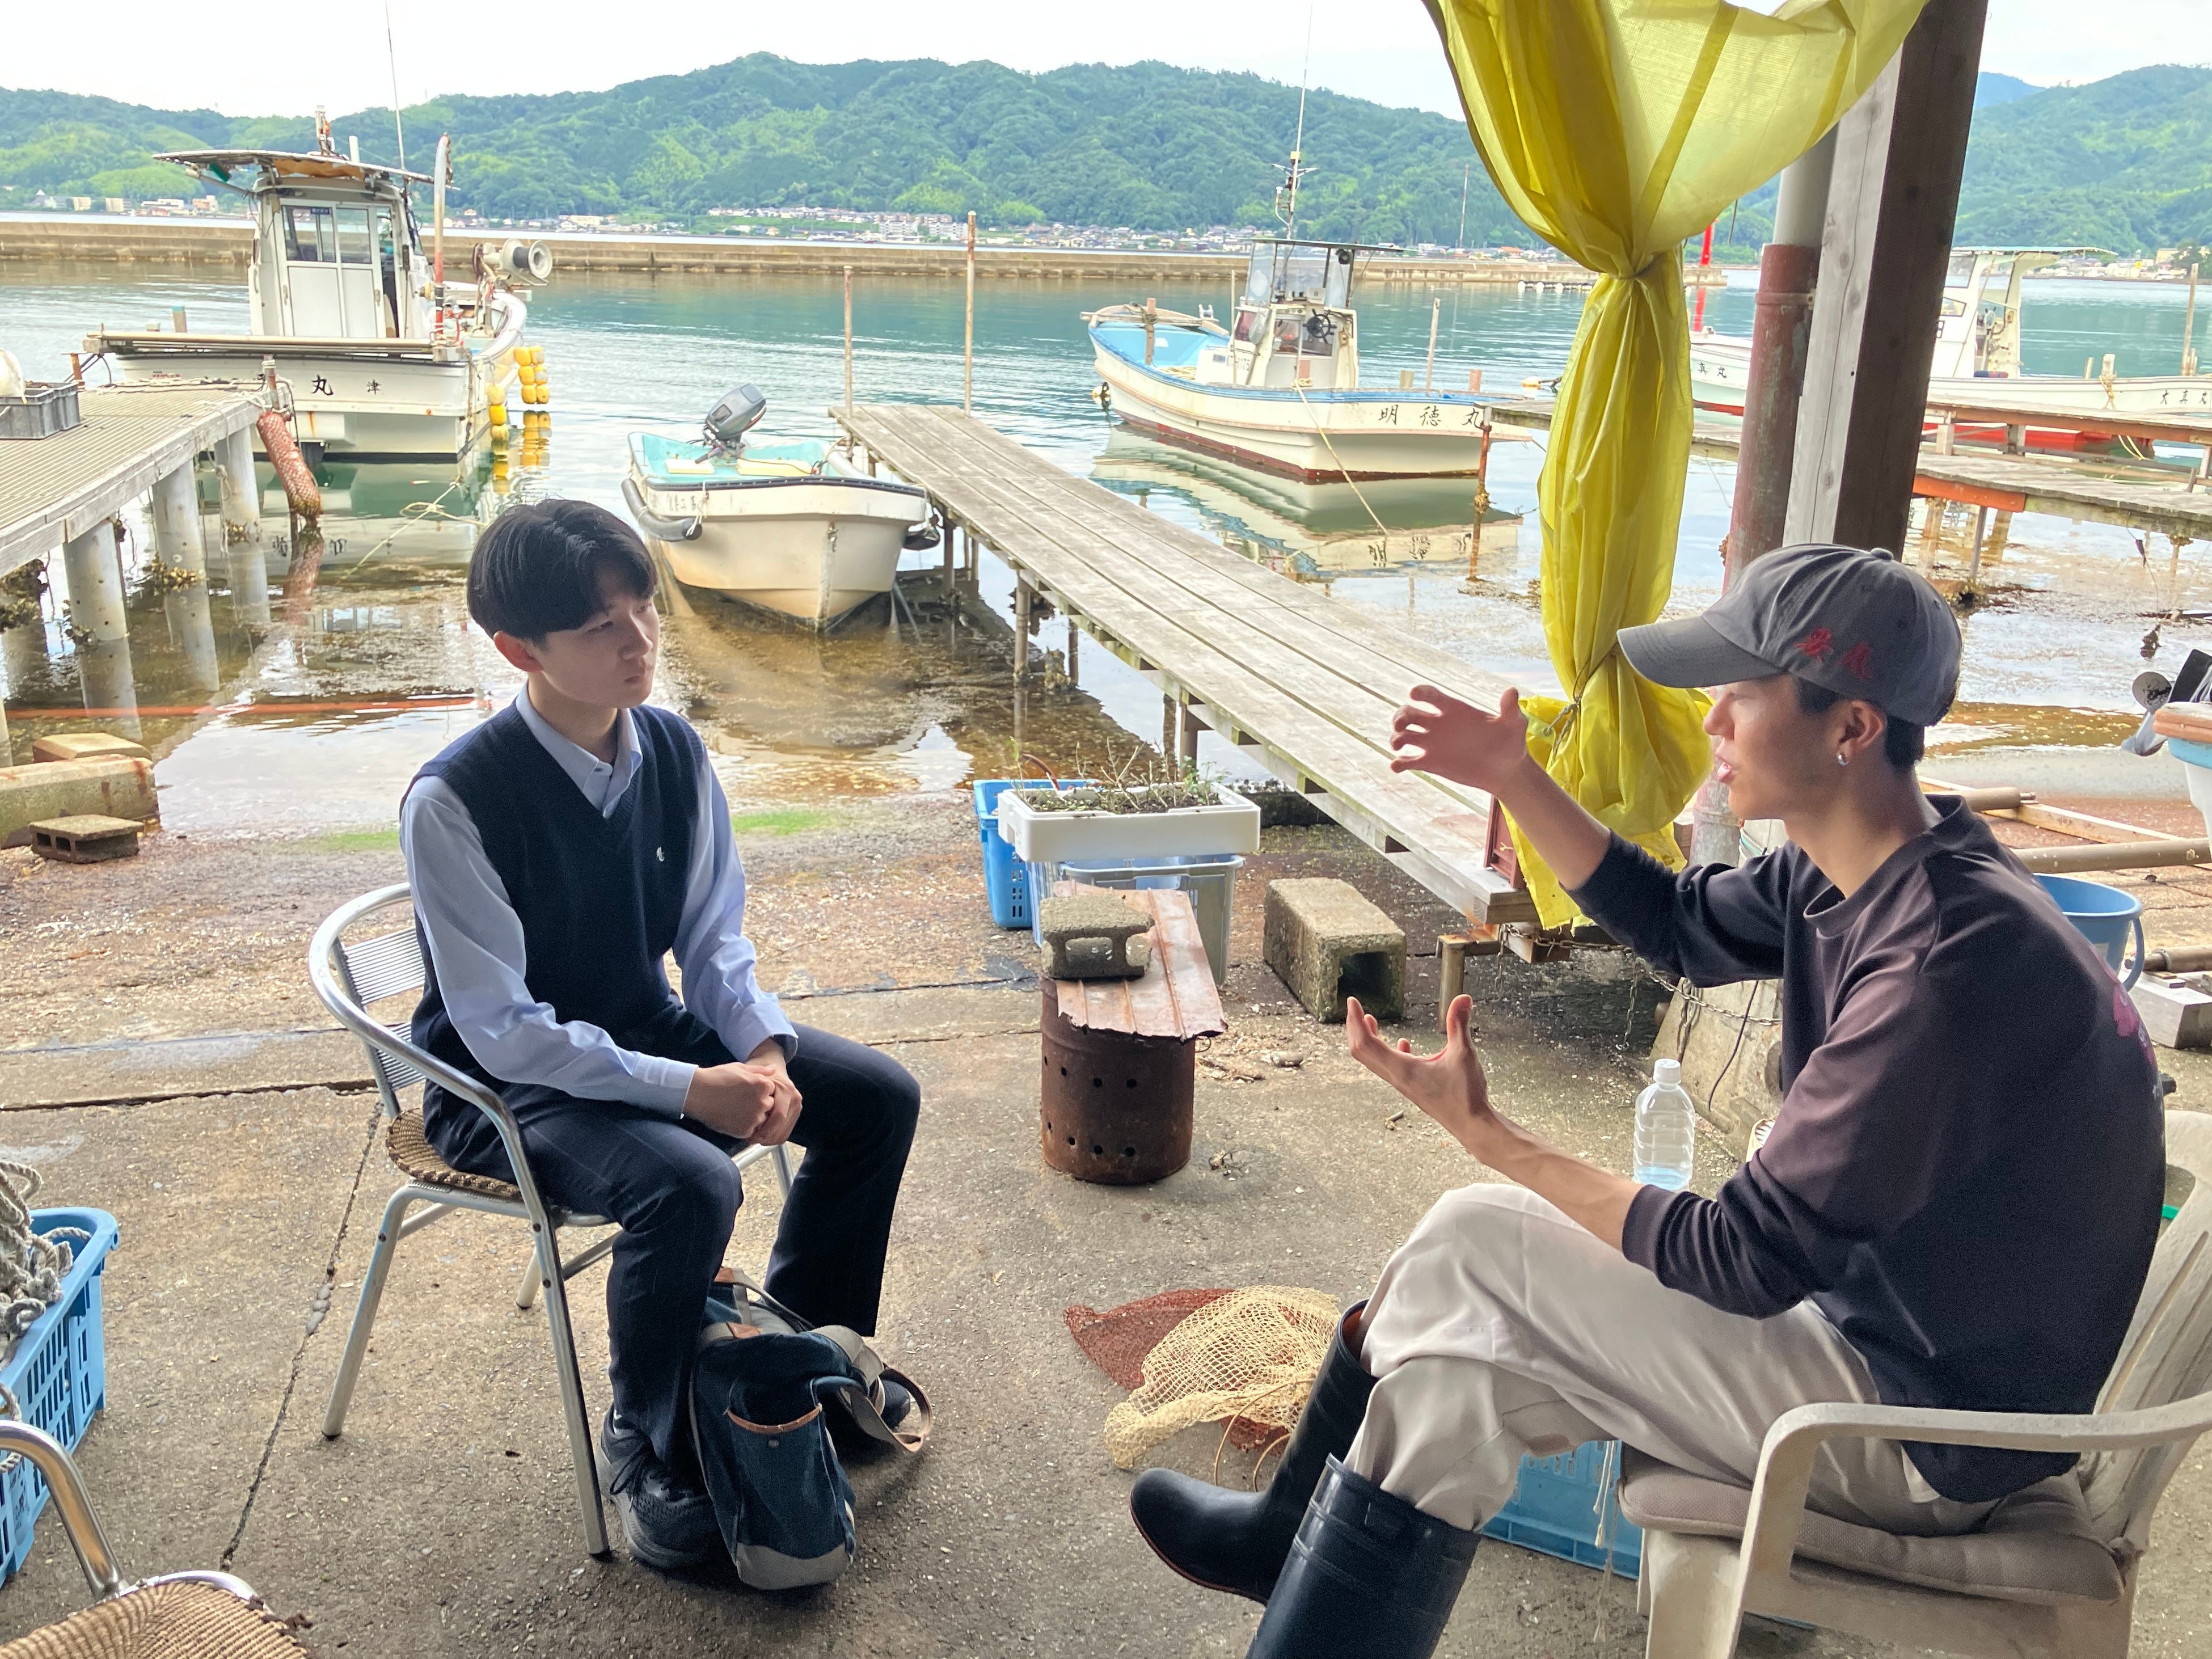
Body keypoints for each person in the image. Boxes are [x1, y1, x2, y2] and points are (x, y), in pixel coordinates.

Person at [1128, 543, 2164, 1657]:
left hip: (1920, 1429)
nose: (1713, 719)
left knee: (1474, 1244)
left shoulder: (1939, 969)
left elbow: (1739, 1257)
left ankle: (1283, 1534)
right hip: (1878, 1334)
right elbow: (1678, 923)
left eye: (1744, 693)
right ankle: (1289, 1550)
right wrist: (1515, 775)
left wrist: (1492, 1136)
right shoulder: (1871, 861)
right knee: (1456, 1369)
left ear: (1852, 727)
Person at [400, 499, 920, 1569]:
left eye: (644, 609)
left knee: (875, 1099)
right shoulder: (455, 800)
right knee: (690, 1185)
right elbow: (502, 1031)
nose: (639, 641)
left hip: (640, 1029)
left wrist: (761, 1052)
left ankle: (792, 1360)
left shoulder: (674, 750)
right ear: (518, 649)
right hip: (502, 1092)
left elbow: (713, 939)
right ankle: (647, 1441)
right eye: (602, 627)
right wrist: (693, 1089)